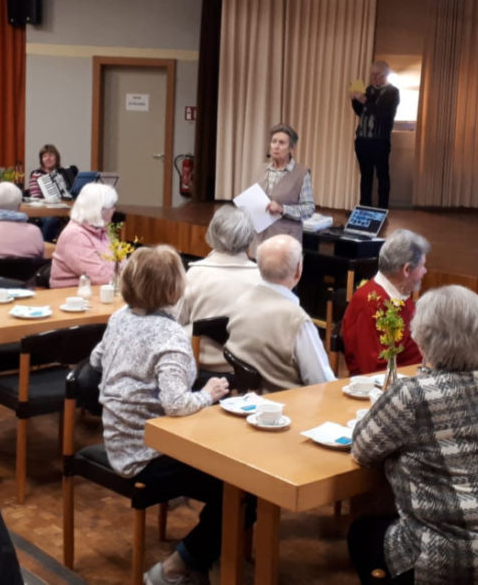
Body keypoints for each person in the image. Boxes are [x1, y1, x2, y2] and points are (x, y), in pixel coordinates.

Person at [348, 285, 478, 585]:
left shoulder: (412, 394)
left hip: (460, 566)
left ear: (422, 338)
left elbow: (362, 450)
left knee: (362, 533)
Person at [87, 246, 239, 585]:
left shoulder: (119, 317)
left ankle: (204, 559)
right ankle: (176, 567)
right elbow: (175, 404)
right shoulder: (170, 335)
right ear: (173, 289)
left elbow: (97, 360)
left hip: (118, 439)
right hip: (149, 452)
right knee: (242, 489)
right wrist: (208, 393)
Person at [221, 234, 335, 389]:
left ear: (259, 267)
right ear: (298, 271)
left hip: (249, 401)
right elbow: (321, 382)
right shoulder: (297, 321)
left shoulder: (241, 302)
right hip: (290, 406)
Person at [178, 206, 261, 368]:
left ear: (212, 233)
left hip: (199, 365)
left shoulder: (196, 274)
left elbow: (176, 320)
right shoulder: (261, 279)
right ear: (249, 237)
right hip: (248, 369)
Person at [342, 230, 429, 375]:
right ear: (406, 269)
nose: (425, 271)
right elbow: (374, 369)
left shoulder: (400, 295)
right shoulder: (369, 303)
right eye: (422, 266)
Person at [50, 182, 118, 288]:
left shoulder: (101, 231)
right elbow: (100, 277)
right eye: (112, 206)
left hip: (97, 292)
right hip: (71, 296)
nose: (114, 210)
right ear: (99, 210)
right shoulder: (74, 235)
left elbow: (122, 263)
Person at [351, 60, 400, 208]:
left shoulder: (393, 92)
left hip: (380, 141)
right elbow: (362, 113)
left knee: (382, 175)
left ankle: (382, 209)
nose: (373, 78)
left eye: (376, 75)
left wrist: (365, 100)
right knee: (366, 176)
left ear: (385, 74)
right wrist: (355, 100)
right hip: (363, 140)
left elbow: (382, 113)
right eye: (372, 75)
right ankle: (364, 207)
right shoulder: (369, 89)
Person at [256, 124, 314, 243]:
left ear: (291, 148)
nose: (276, 146)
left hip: (285, 239)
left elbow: (309, 209)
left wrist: (283, 209)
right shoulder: (262, 169)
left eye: (281, 143)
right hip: (259, 238)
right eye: (274, 141)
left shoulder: (301, 174)